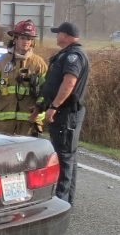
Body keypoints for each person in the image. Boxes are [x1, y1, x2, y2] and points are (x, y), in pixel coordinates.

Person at [34, 21, 90, 203]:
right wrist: (43, 106)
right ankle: (67, 201)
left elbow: (69, 83)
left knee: (64, 157)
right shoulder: (66, 55)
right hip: (65, 112)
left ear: (65, 35)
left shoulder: (73, 56)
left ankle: (61, 201)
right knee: (68, 157)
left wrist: (54, 107)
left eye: (58, 33)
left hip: (66, 113)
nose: (56, 36)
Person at [0, 19, 47, 135]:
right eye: (23, 38)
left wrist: (39, 107)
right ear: (15, 39)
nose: (26, 42)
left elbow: (47, 90)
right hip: (3, 123)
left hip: (29, 123)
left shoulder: (39, 63)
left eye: (29, 39)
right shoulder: (2, 61)